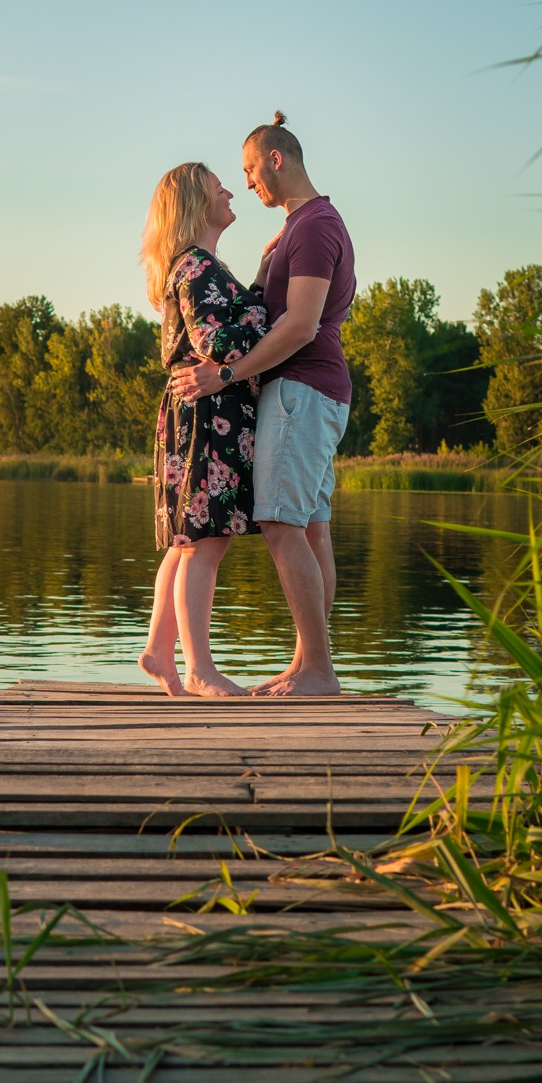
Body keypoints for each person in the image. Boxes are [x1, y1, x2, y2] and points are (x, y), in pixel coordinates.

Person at [171, 113, 355, 696]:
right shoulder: (305, 226)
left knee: (281, 523)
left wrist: (226, 373)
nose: (246, 182)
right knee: (311, 528)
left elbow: (300, 326)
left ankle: (318, 669)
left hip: (301, 388)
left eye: (250, 169)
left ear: (276, 159)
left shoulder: (314, 226)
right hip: (311, 390)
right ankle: (307, 665)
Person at [138, 161, 270, 698]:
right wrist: (272, 317)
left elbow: (215, 324)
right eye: (220, 188)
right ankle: (199, 669)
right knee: (205, 543)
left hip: (195, 414)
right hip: (207, 418)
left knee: (188, 540)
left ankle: (158, 649)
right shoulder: (198, 267)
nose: (230, 191)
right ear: (196, 204)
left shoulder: (195, 266)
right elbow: (215, 342)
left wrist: (258, 282)